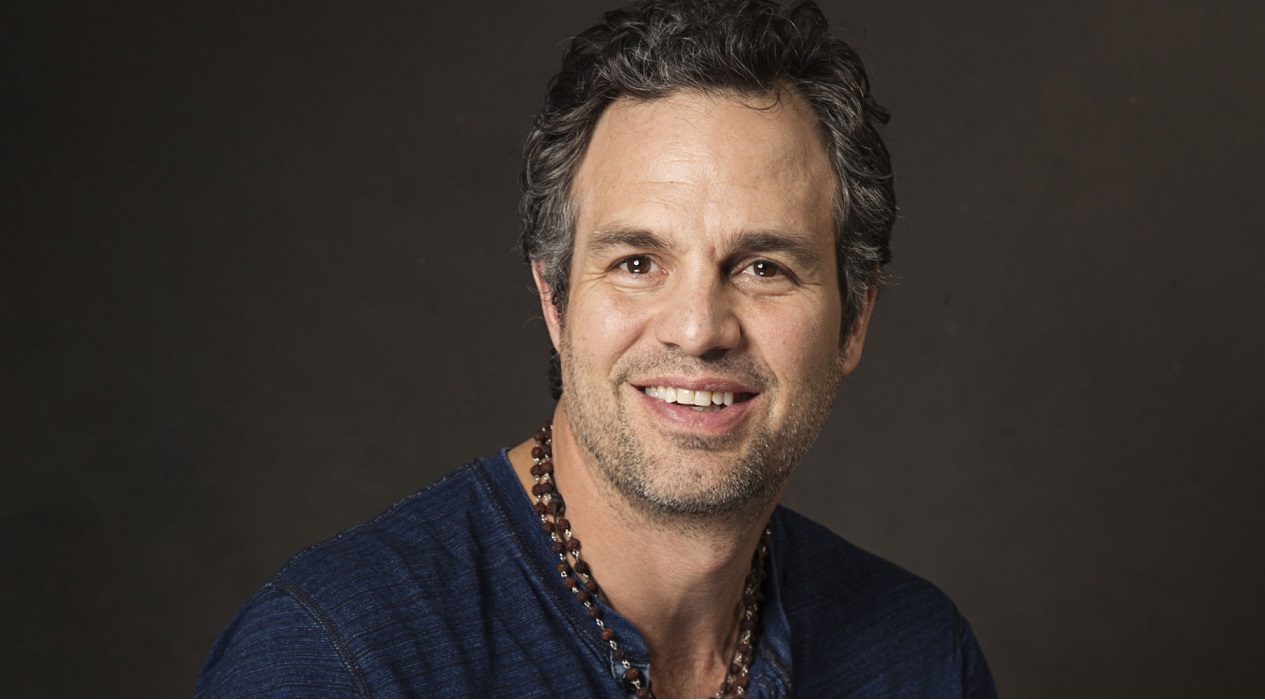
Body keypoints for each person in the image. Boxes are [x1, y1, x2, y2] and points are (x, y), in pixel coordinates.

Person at [196, 0, 996, 697]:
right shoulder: (335, 662)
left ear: (854, 320)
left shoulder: (918, 658)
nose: (697, 329)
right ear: (554, 298)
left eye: (763, 267)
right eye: (637, 263)